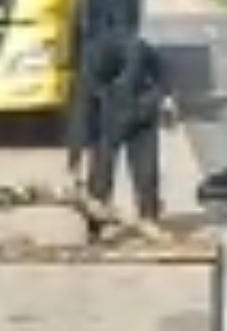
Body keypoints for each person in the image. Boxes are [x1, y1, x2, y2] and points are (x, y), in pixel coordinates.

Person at [66, 31, 174, 242]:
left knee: (146, 172)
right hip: (110, 120)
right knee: (101, 174)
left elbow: (163, 70)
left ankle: (149, 218)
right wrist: (75, 155)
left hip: (142, 115)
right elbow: (81, 110)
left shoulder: (139, 49)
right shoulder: (92, 65)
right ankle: (95, 226)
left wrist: (166, 98)